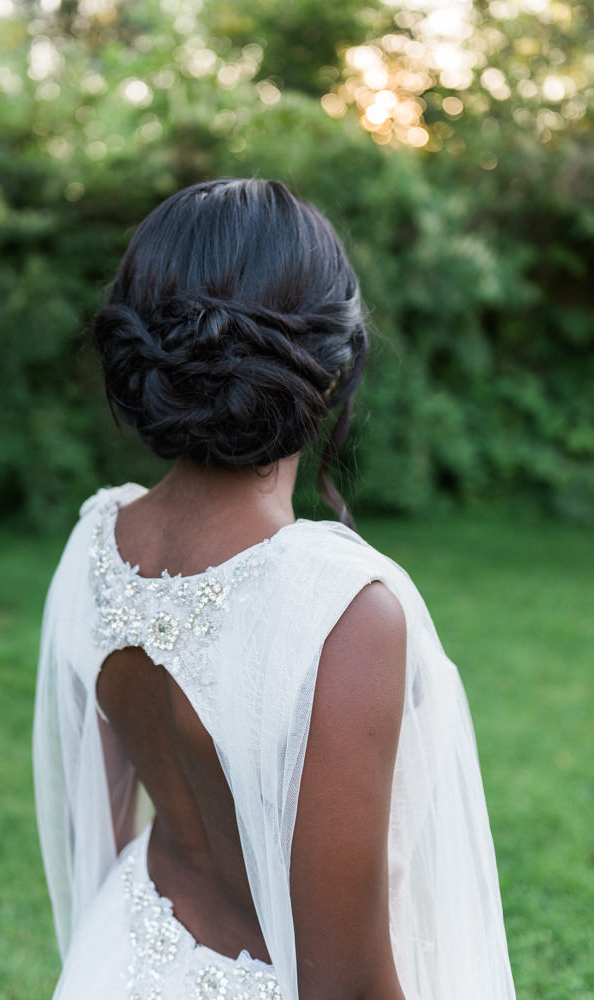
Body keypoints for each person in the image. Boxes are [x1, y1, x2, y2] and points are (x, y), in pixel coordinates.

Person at [33, 177, 516, 1000]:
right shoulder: (343, 612)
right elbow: (347, 986)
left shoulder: (95, 542)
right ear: (332, 364)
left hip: (121, 956)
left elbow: (101, 821)